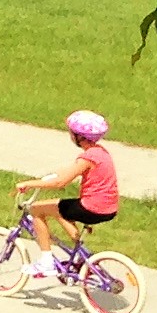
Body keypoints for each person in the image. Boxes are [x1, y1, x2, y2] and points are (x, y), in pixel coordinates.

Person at [12, 109, 119, 278]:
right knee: (60, 208)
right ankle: (80, 254)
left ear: (79, 136)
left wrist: (29, 184)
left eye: (72, 132)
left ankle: (46, 263)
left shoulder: (87, 158)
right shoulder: (101, 153)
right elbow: (69, 172)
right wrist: (53, 175)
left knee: (36, 210)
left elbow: (60, 183)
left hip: (90, 208)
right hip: (108, 209)